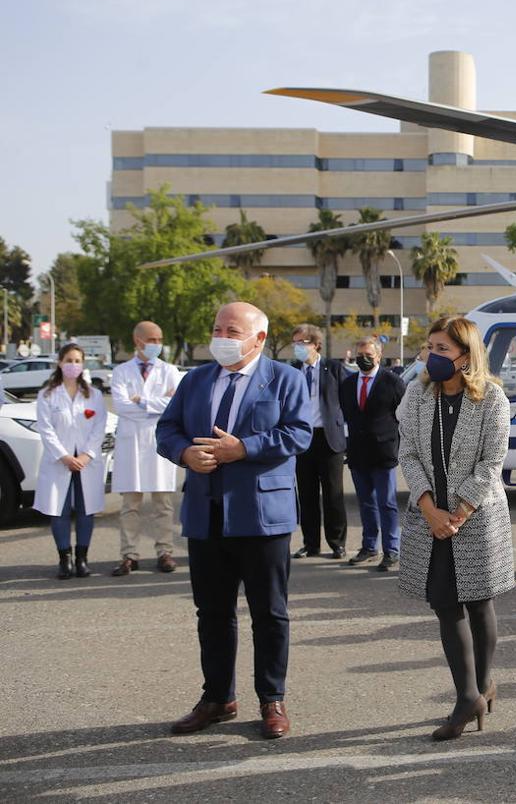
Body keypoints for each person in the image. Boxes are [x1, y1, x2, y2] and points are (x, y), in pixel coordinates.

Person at [156, 302, 311, 740]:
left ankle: (271, 699)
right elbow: (167, 430)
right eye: (217, 327)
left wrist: (243, 448)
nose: (221, 335)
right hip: (206, 514)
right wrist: (184, 453)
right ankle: (218, 698)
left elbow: (298, 433)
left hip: (262, 515)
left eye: (232, 329)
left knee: (269, 612)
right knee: (213, 612)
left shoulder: (286, 379)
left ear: (259, 339)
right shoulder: (196, 379)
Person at [397, 317, 514, 742]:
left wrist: (459, 513)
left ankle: (481, 688)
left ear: (466, 355)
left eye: (442, 349)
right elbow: (407, 451)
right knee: (445, 603)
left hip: (477, 517)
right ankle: (469, 695)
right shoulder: (417, 394)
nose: (432, 356)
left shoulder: (493, 399)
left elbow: (492, 462)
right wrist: (429, 507)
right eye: (430, 348)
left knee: (479, 604)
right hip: (432, 518)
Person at [109, 321, 181, 576]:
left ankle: (165, 552)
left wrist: (141, 401)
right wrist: (156, 406)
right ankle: (129, 555)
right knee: (130, 505)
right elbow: (120, 406)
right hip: (131, 444)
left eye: (160, 340)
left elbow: (174, 406)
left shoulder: (170, 370)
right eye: (152, 340)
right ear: (138, 341)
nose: (157, 345)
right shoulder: (121, 372)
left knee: (163, 505)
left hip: (158, 443)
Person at [34, 344, 108, 580]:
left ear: (83, 364)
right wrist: (65, 456)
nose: (73, 365)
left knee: (86, 511)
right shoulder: (47, 394)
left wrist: (86, 455)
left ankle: (82, 559)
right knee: (60, 511)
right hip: (60, 462)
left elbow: (99, 428)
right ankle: (64, 559)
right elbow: (46, 430)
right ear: (59, 362)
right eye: (69, 360)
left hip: (86, 462)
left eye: (78, 361)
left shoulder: (94, 395)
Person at [339, 336, 407, 570]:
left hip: (384, 452)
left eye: (368, 355)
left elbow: (405, 416)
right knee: (365, 502)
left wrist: (399, 445)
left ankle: (391, 550)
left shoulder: (393, 382)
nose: (363, 359)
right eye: (360, 355)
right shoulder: (347, 384)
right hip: (357, 453)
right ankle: (369, 546)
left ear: (379, 356)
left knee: (386, 503)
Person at [290, 324, 348, 560]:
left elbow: (347, 401)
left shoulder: (333, 368)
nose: (297, 347)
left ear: (315, 344)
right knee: (307, 494)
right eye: (295, 342)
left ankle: (337, 543)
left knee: (333, 494)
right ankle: (310, 543)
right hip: (302, 439)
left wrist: (348, 436)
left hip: (329, 438)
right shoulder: (293, 371)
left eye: (302, 342)